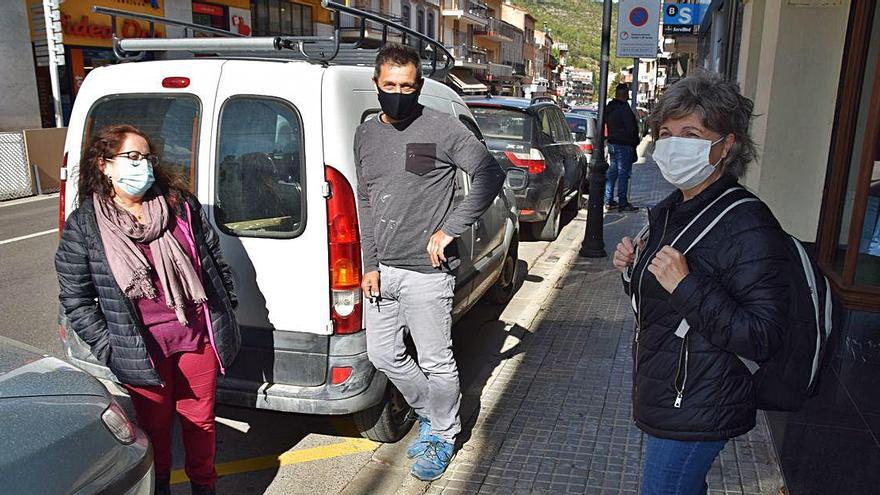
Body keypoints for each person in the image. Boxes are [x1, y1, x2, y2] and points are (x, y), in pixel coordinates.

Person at [611, 72, 791, 494]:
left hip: (704, 401)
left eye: (690, 133)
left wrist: (686, 284)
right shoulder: (672, 209)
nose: (673, 145)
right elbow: (663, 300)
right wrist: (631, 269)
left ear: (726, 145)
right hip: (672, 390)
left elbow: (762, 335)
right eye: (665, 133)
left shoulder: (747, 223)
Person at [55, 124, 240, 495]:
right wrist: (110, 348)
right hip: (142, 351)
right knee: (154, 433)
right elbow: (75, 298)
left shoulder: (178, 207)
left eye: (147, 157)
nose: (143, 165)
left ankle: (205, 488)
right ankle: (161, 490)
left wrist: (226, 307)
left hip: (195, 338)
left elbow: (214, 261)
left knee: (200, 423)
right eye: (132, 157)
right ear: (105, 165)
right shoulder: (87, 224)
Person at [354, 43, 505, 481]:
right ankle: (431, 414)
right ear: (376, 85)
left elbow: (489, 174)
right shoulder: (366, 133)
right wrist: (370, 262)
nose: (399, 93)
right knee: (383, 355)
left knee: (437, 361)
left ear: (418, 86)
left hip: (428, 273)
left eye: (407, 86)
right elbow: (366, 199)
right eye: (390, 85)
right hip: (384, 272)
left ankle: (443, 433)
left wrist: (450, 228)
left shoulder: (442, 127)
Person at [605, 83, 641, 212]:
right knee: (623, 174)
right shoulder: (624, 109)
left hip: (612, 143)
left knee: (613, 172)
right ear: (625, 94)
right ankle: (623, 202)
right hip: (624, 144)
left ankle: (608, 200)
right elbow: (631, 128)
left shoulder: (610, 107)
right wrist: (635, 141)